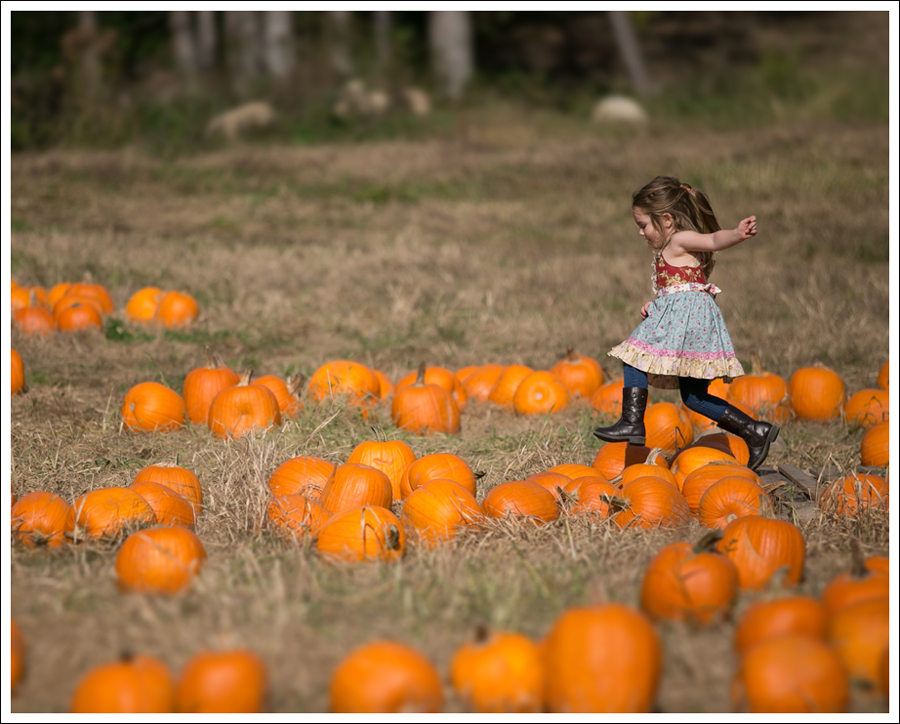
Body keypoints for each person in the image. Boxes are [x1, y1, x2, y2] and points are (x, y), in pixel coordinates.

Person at [593, 175, 779, 471]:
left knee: (633, 357)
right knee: (694, 398)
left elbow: (714, 240)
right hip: (688, 316)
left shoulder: (680, 239)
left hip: (690, 317)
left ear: (666, 219)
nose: (641, 233)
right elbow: (679, 288)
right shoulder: (672, 249)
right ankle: (755, 431)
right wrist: (654, 304)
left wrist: (737, 233)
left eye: (643, 225)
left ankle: (632, 422)